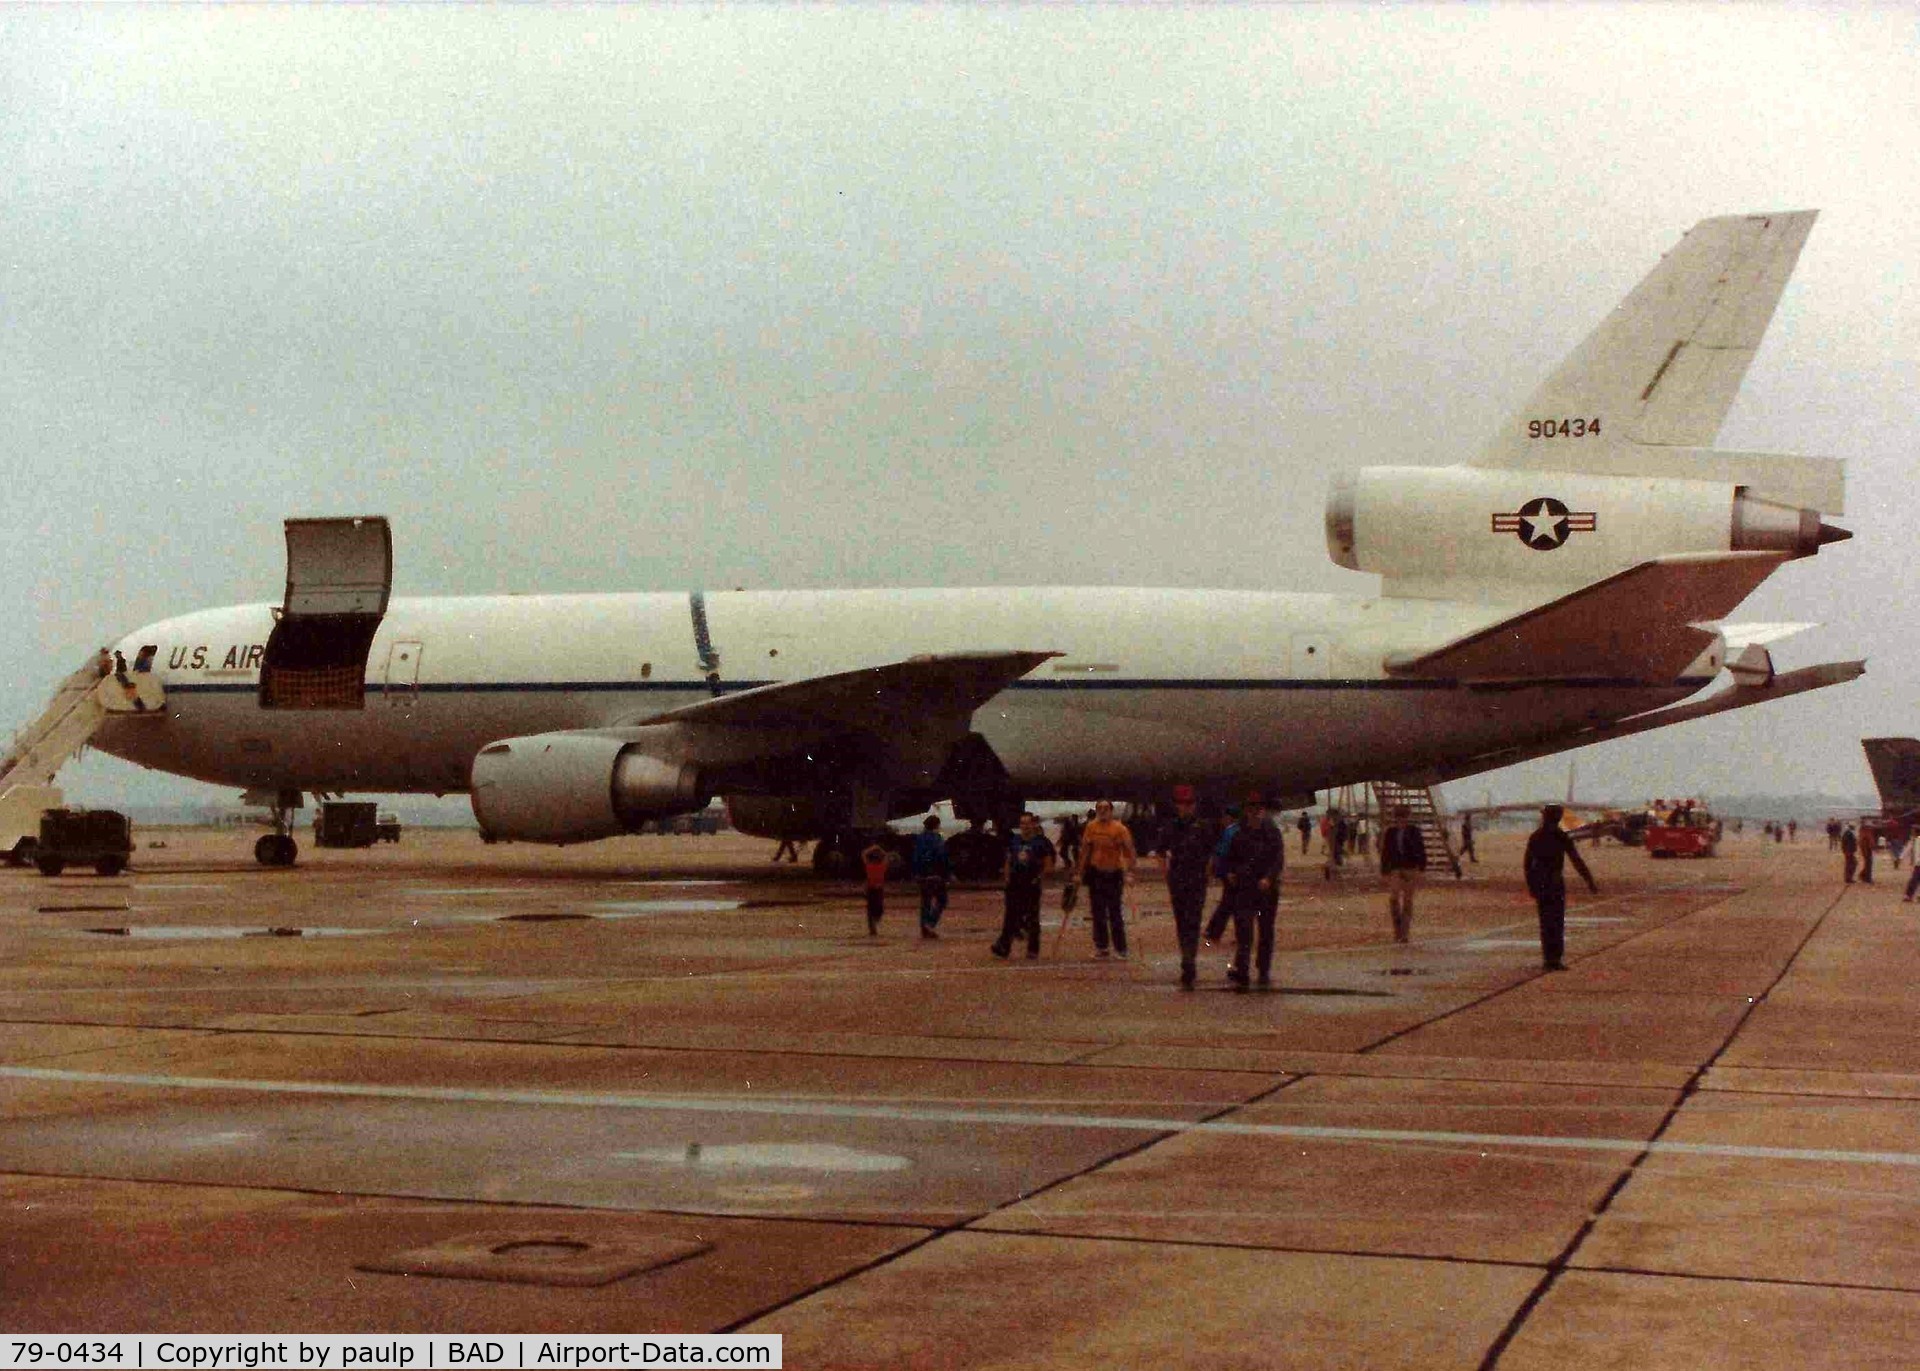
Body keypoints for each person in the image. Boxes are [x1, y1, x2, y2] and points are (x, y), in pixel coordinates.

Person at [1217, 794, 1283, 990]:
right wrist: (1229, 872)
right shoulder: (1238, 833)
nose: (1255, 812)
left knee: (1265, 931)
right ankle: (1243, 971)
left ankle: (1263, 970)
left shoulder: (1272, 832)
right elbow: (1227, 858)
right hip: (1244, 888)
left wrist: (1269, 878)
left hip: (1266, 890)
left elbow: (1278, 858)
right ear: (1246, 810)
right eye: (1251, 808)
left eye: (1258, 808)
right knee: (1244, 931)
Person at [1156, 784, 1218, 990]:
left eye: (1189, 803)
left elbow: (1212, 853)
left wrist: (1207, 875)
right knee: (1182, 922)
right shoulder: (1170, 827)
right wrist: (1166, 874)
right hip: (1178, 880)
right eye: (1182, 803)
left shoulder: (1203, 826)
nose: (1186, 807)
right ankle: (1187, 956)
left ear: (1195, 805)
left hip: (1197, 879)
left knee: (1193, 921)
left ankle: (1189, 960)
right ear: (1176, 805)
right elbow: (1160, 851)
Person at [1524, 804, 1596, 972]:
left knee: (1546, 922)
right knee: (1556, 922)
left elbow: (1527, 863)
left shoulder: (1536, 836)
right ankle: (1554, 959)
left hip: (1542, 883)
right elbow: (1576, 860)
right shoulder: (1561, 836)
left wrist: (1531, 885)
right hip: (1555, 883)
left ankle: (1549, 959)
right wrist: (1589, 880)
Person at [1077, 799, 1138, 959]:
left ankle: (1121, 949)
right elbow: (1084, 850)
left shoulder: (1119, 829)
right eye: (1099, 808)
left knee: (1114, 912)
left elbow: (1129, 851)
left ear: (1111, 811)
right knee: (1098, 912)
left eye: (1105, 808)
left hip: (1114, 873)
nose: (1102, 811)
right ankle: (1102, 947)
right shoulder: (1091, 827)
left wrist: (1130, 873)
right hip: (1096, 873)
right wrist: (1079, 872)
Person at [992, 812, 1056, 960]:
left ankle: (1033, 949)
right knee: (1010, 916)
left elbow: (1048, 864)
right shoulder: (1015, 841)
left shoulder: (1041, 842)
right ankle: (1003, 946)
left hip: (1031, 883)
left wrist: (1040, 877)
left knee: (1032, 917)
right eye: (1022, 823)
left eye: (1028, 823)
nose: (1025, 826)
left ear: (1033, 825)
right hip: (1014, 884)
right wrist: (1007, 877)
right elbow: (1009, 860)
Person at [1379, 805, 1428, 944]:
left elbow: (1420, 849)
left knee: (1407, 901)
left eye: (1403, 817)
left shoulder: (1413, 832)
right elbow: (1385, 853)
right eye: (1399, 818)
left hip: (1410, 869)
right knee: (1393, 898)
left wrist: (1421, 868)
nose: (1401, 820)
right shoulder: (1390, 832)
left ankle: (1404, 933)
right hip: (1396, 869)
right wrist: (1384, 871)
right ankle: (1398, 928)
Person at [910, 814, 951, 939]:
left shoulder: (919, 839)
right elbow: (942, 856)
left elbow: (915, 856)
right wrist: (946, 874)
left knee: (925, 902)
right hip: (935, 875)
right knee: (942, 900)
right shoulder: (937, 839)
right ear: (936, 825)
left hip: (922, 874)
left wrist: (916, 872)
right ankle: (930, 923)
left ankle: (924, 928)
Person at [860, 836, 891, 935]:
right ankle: (873, 926)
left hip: (873, 889)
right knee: (876, 908)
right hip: (876, 889)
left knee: (873, 908)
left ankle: (873, 924)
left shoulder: (870, 866)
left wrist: (874, 848)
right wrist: (877, 848)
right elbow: (886, 856)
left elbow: (864, 854)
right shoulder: (880, 866)